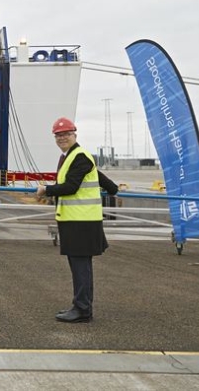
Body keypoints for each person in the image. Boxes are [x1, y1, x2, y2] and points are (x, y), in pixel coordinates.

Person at [36, 117, 119, 323]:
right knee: (81, 266)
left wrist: (46, 189)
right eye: (58, 135)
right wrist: (114, 188)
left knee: (80, 266)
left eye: (66, 134)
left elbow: (71, 186)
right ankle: (81, 306)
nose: (62, 137)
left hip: (81, 222)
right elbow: (99, 177)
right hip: (78, 220)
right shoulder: (72, 156)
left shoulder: (79, 156)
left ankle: (82, 310)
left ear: (75, 135)